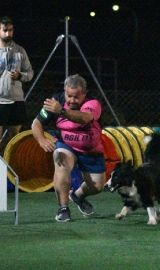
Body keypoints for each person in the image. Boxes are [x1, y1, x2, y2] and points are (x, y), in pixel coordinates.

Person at [31, 74, 106, 222]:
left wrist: (62, 111)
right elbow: (36, 124)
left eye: (76, 97)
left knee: (97, 186)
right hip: (66, 144)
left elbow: (84, 118)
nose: (71, 100)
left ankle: (77, 195)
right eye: (68, 95)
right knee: (61, 161)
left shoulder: (93, 102)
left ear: (84, 93)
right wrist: (41, 140)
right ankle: (63, 208)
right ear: (64, 90)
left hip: (91, 149)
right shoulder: (56, 101)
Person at [0, 16, 34, 184]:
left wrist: (20, 76)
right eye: (4, 30)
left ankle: (10, 169)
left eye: (10, 30)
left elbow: (30, 73)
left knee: (15, 136)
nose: (7, 33)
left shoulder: (20, 51)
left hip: (17, 100)